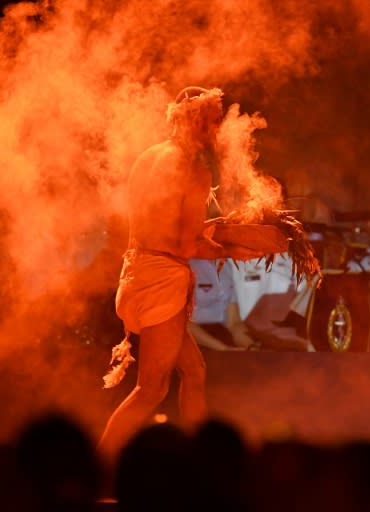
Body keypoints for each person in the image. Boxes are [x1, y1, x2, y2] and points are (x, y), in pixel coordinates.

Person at [98, 87, 272, 461]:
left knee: (194, 372)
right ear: (195, 120)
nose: (217, 129)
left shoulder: (147, 157)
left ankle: (201, 465)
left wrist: (217, 233)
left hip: (135, 275)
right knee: (151, 389)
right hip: (161, 280)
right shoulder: (194, 170)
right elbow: (188, 246)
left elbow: (164, 227)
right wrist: (232, 250)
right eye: (213, 120)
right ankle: (98, 466)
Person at [188, 258, 256, 351]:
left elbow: (234, 323)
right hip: (193, 346)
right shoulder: (180, 263)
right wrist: (223, 349)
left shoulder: (225, 265)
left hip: (222, 340)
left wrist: (251, 346)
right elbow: (180, 323)